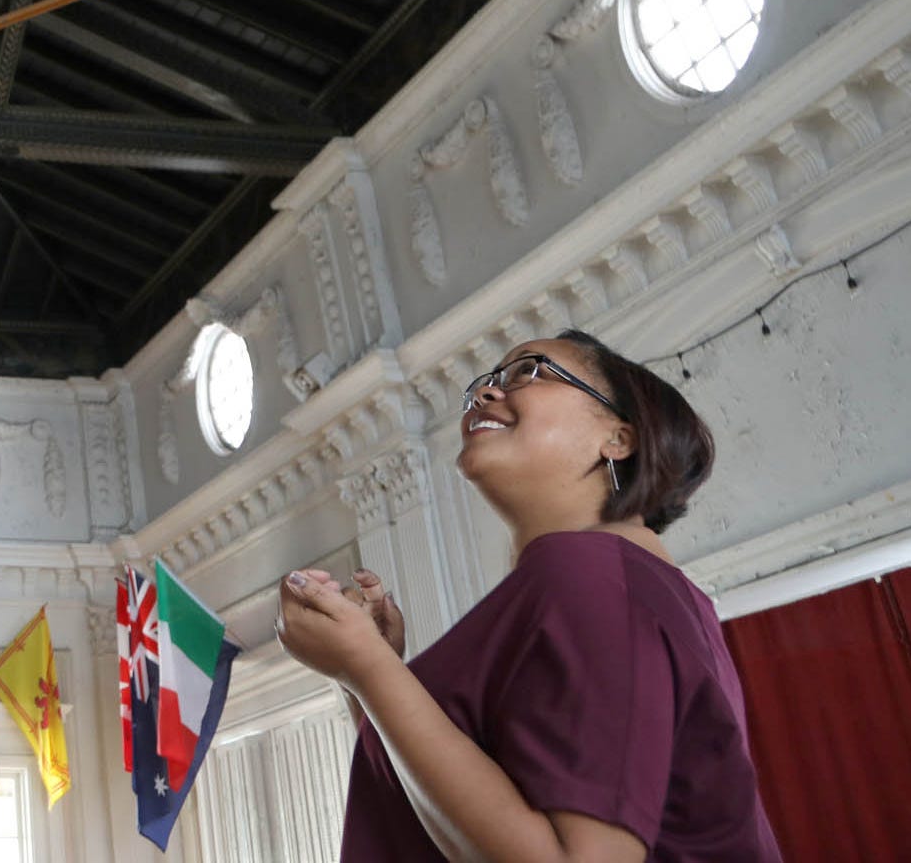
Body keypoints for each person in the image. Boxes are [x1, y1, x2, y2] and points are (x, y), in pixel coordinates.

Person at [276, 331, 780, 862]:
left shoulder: (593, 572)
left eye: (529, 371)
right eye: (487, 382)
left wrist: (368, 669)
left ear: (618, 437)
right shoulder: (611, 580)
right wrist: (367, 675)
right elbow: (446, 817)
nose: (485, 394)